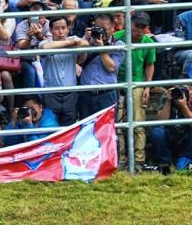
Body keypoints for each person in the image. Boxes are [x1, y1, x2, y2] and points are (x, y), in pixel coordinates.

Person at [115, 11, 156, 169]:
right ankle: (121, 158)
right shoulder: (118, 36)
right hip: (117, 82)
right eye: (136, 25)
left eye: (142, 27)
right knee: (118, 123)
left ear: (147, 28)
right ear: (130, 24)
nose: (138, 29)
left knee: (138, 123)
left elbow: (149, 65)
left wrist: (147, 86)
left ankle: (139, 160)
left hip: (137, 83)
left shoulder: (148, 42)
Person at [37, 16, 89, 125]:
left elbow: (86, 44)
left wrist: (76, 45)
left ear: (68, 29)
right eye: (56, 28)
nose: (60, 32)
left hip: (71, 93)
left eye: (63, 28)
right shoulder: (45, 43)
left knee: (69, 129)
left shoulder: (74, 39)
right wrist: (70, 43)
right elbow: (45, 48)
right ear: (50, 30)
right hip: (51, 93)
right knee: (50, 127)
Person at [78, 22, 125, 118]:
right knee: (86, 128)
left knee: (107, 128)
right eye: (98, 29)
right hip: (85, 93)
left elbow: (111, 67)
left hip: (106, 94)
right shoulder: (87, 41)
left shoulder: (118, 44)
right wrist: (85, 42)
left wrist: (101, 48)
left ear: (112, 28)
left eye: (104, 29)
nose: (101, 33)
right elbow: (79, 61)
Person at [150, 86, 192, 173]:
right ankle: (164, 163)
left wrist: (184, 106)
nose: (178, 95)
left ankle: (185, 159)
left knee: (181, 166)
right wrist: (168, 101)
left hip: (186, 138)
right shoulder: (167, 97)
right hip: (170, 136)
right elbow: (160, 121)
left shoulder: (190, 98)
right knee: (157, 132)